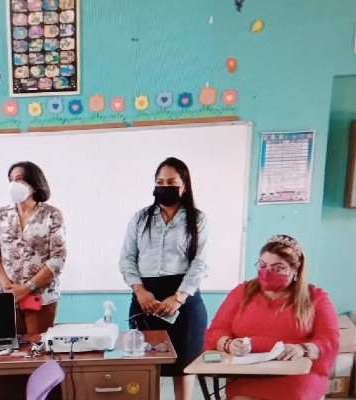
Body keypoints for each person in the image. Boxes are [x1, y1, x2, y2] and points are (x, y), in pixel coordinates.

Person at [204, 235, 339, 400]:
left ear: (296, 269)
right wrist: (228, 343)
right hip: (248, 376)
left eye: (278, 268)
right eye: (263, 265)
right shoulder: (242, 292)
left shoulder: (316, 297)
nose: (268, 272)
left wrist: (302, 349)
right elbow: (215, 330)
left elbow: (329, 340)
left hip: (295, 377)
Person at [119, 157, 208, 400]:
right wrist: (140, 290)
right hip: (145, 296)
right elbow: (127, 258)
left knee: (184, 364)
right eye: (159, 181)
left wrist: (178, 298)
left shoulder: (197, 219)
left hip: (183, 298)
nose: (164, 186)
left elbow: (200, 262)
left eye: (171, 182)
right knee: (148, 363)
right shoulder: (140, 218)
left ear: (184, 186)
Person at [0, 161, 66, 335]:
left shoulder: (52, 215)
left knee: (38, 351)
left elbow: (58, 258)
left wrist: (28, 287)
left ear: (34, 183)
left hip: (41, 298)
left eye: (20, 179)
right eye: (11, 179)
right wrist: (8, 288)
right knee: (9, 352)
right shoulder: (1, 215)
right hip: (8, 299)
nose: (14, 184)